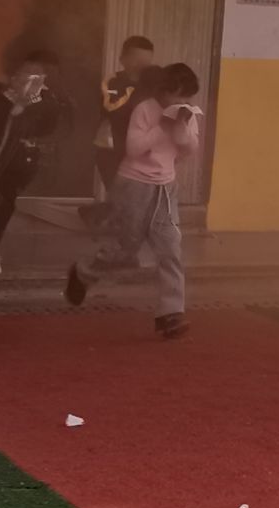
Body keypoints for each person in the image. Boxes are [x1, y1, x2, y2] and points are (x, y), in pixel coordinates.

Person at [65, 63, 202, 335]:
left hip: (165, 188)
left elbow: (189, 151)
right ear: (164, 91)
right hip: (133, 185)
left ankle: (170, 313)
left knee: (170, 247)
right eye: (178, 95)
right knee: (125, 248)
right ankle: (83, 272)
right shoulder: (145, 109)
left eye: (187, 96)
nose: (183, 100)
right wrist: (162, 126)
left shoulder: (185, 113)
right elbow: (134, 148)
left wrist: (182, 128)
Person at [0, 51, 64, 274]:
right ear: (15, 71)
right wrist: (15, 103)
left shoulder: (47, 100)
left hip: (19, 160)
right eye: (28, 71)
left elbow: (47, 128)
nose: (33, 76)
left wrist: (32, 104)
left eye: (39, 73)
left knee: (4, 200)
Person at [94, 36, 155, 204]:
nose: (141, 66)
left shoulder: (153, 85)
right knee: (119, 198)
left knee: (140, 200)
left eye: (146, 62)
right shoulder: (112, 81)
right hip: (112, 150)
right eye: (137, 60)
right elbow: (111, 108)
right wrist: (136, 89)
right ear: (122, 59)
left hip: (140, 152)